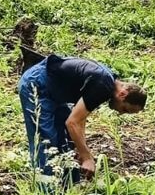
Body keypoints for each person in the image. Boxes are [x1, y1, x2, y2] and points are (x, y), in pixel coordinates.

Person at [17, 53, 147, 186]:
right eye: (124, 109)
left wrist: (82, 148)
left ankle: (70, 184)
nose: (120, 112)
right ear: (123, 94)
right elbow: (72, 122)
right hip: (37, 85)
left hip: (55, 92)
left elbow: (79, 119)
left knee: (67, 139)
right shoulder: (103, 86)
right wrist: (87, 157)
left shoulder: (107, 82)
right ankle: (46, 192)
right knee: (46, 140)